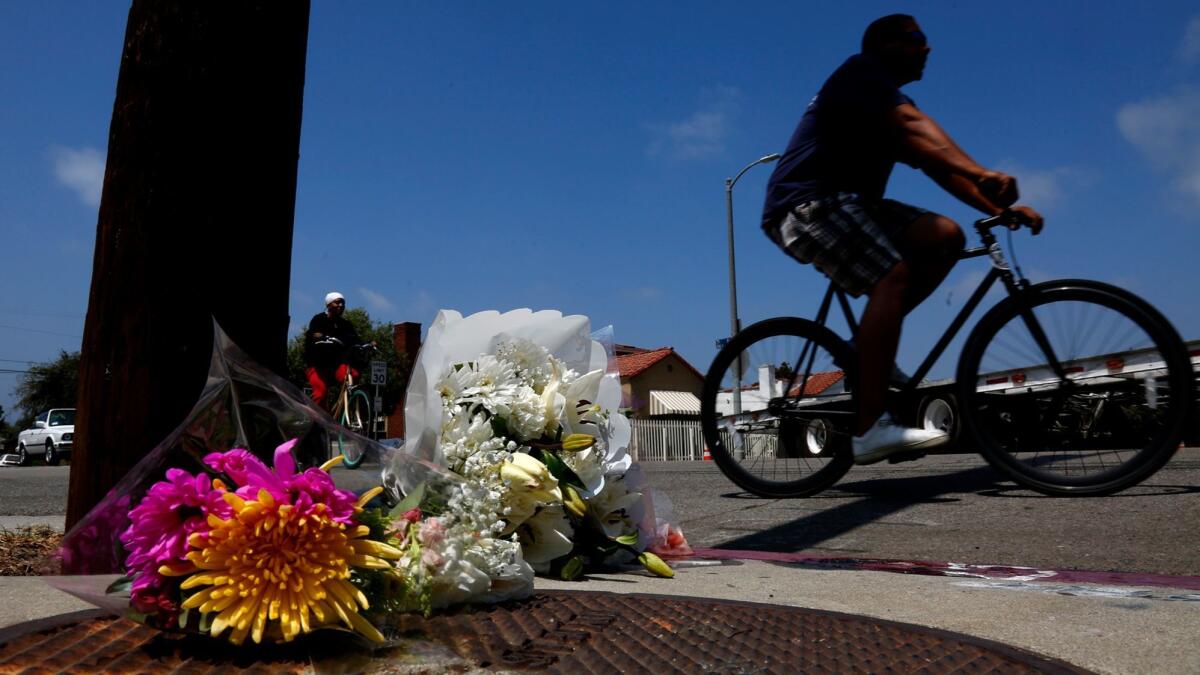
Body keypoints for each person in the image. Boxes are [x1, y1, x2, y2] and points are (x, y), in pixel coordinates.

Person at [760, 14, 1044, 465]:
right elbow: (917, 125)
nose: (928, 49)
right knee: (892, 274)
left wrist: (998, 211)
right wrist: (984, 172)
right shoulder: (860, 75)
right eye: (917, 40)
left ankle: (865, 351)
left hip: (850, 205)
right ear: (884, 46)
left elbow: (937, 165)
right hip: (805, 204)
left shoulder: (887, 107)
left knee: (946, 236)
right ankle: (869, 429)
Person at [304, 292, 373, 409]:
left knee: (353, 374)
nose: (341, 305)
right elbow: (312, 333)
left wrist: (367, 343)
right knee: (320, 394)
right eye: (337, 302)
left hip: (336, 364)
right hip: (317, 365)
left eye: (343, 303)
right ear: (328, 304)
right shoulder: (319, 319)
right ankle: (314, 423)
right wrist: (318, 336)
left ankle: (348, 405)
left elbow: (354, 339)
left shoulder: (345, 324)